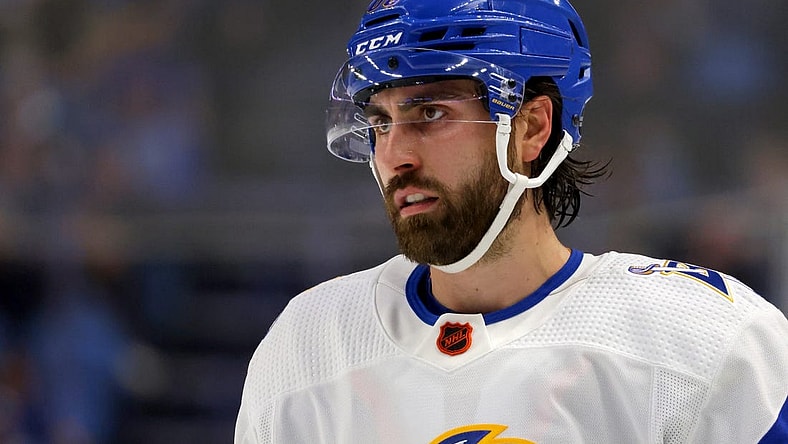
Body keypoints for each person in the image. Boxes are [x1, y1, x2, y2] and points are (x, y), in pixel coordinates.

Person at [235, 0, 788, 442]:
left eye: (430, 114)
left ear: (531, 128)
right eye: (381, 122)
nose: (394, 155)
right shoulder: (307, 343)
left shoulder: (700, 342)